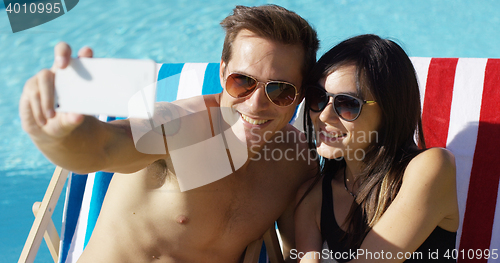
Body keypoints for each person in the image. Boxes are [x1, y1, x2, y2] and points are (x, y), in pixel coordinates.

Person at [19, 5, 319, 262]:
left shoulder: (295, 164)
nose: (255, 104)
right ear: (222, 73)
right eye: (242, 82)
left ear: (301, 94)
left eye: (280, 90)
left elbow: (298, 253)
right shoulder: (179, 126)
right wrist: (55, 137)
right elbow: (103, 147)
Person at [294, 34, 459, 262]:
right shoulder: (313, 199)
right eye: (317, 97)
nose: (323, 115)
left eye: (348, 104)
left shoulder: (431, 168)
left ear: (389, 112)